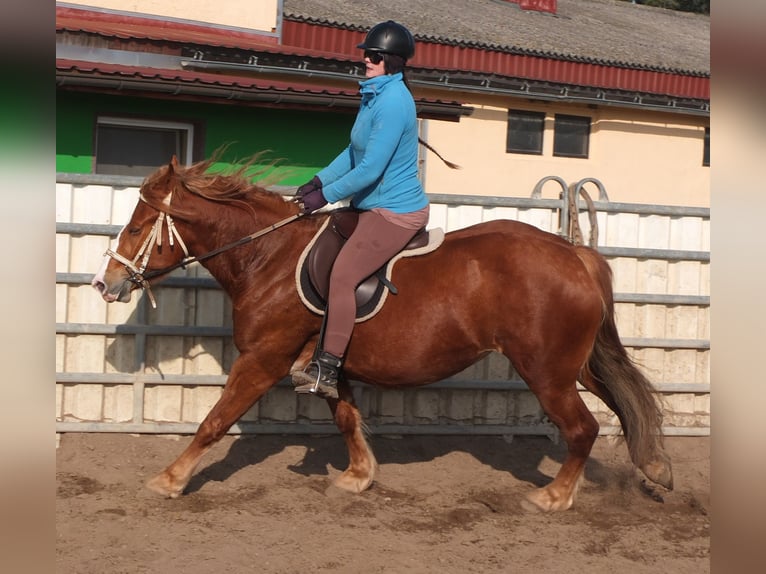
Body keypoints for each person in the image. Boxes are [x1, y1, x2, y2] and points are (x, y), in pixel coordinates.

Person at [292, 20, 429, 400]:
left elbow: (371, 169)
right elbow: (354, 153)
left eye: (372, 56)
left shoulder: (395, 102)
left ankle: (328, 368)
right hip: (370, 206)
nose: (365, 61)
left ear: (391, 62)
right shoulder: (373, 95)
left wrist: (327, 196)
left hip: (395, 212)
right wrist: (319, 181)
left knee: (342, 275)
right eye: (366, 55)